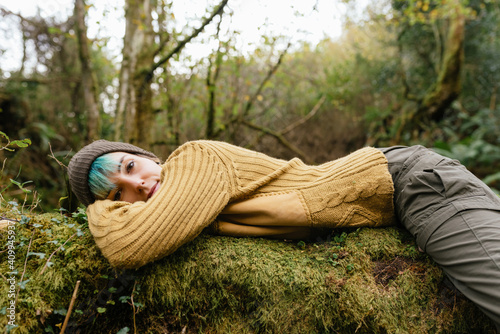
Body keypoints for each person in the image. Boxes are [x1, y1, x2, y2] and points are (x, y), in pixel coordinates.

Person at [68, 139, 500, 330]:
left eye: (130, 167)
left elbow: (128, 244)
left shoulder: (195, 160)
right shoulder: (183, 208)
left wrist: (99, 209)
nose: (139, 186)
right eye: (117, 194)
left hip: (411, 182)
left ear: (146, 156)